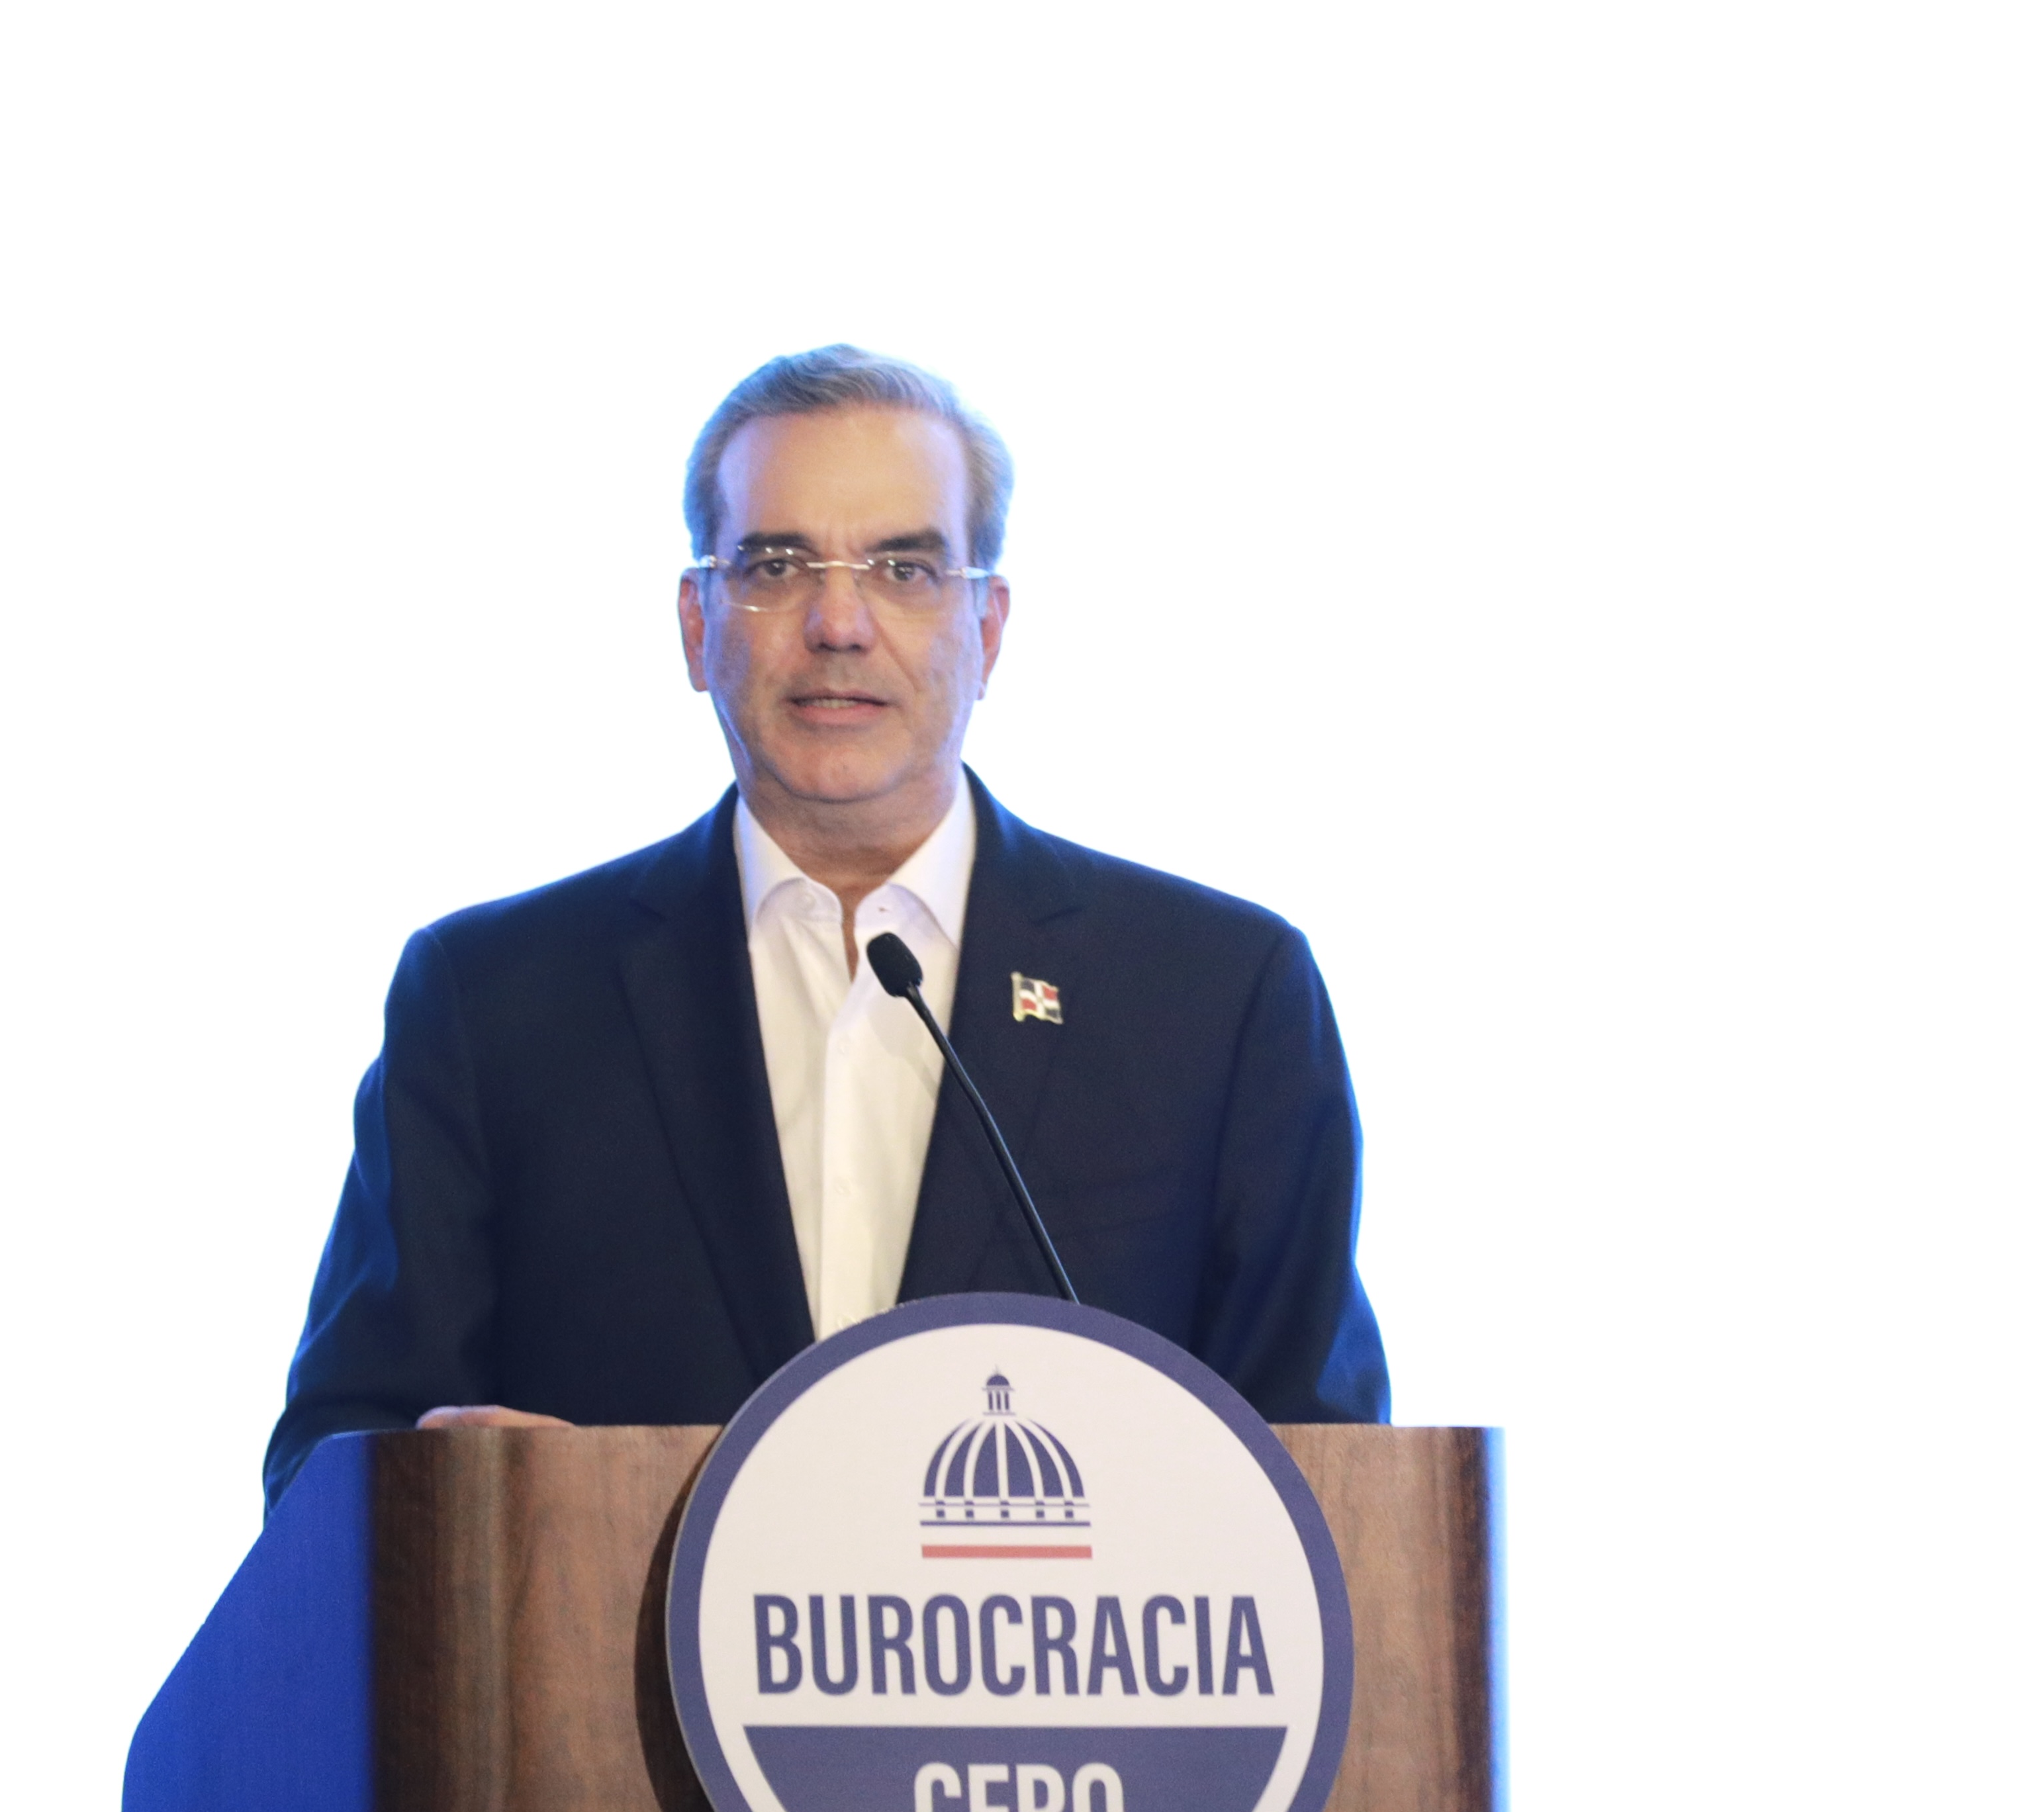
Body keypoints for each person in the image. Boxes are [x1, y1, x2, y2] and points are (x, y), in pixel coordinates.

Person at [263, 345, 1385, 1510]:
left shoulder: (1213, 995)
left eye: (904, 569)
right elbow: (330, 1456)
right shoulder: (495, 1001)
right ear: (695, 624)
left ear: (988, 628)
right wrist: (437, 1489)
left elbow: (1333, 1480)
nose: (838, 622)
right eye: (774, 566)